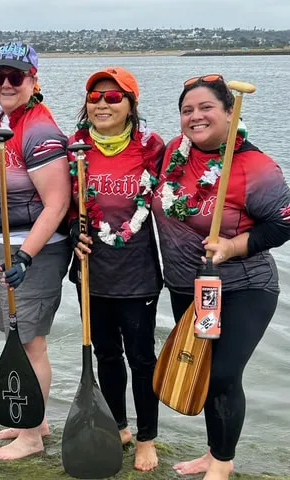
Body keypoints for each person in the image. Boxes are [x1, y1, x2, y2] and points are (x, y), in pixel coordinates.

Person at [153, 74, 290, 480]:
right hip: (190, 286)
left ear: (230, 112)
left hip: (246, 287)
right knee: (203, 370)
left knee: (223, 373)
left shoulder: (255, 166)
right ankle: (214, 453)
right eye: (187, 110)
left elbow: (284, 223)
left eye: (206, 107)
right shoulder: (174, 153)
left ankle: (223, 463)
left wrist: (232, 246)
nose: (195, 116)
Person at [0, 41, 71, 460]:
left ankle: (31, 437)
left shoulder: (39, 131)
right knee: (20, 337)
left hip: (30, 253)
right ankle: (35, 420)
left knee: (30, 343)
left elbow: (57, 203)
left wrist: (25, 256)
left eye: (15, 76)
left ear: (33, 80)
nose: (5, 83)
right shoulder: (3, 125)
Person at [69, 67, 165, 472]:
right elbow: (61, 204)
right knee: (106, 355)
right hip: (91, 271)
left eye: (113, 97)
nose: (102, 104)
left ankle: (147, 438)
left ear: (131, 105)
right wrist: (71, 232)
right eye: (95, 97)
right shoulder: (75, 148)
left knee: (141, 359)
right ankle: (119, 427)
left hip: (137, 274)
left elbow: (184, 189)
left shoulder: (152, 148)